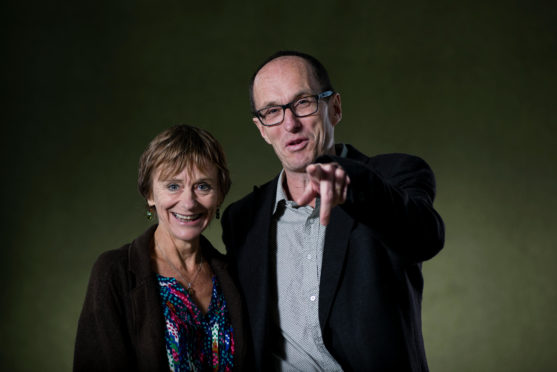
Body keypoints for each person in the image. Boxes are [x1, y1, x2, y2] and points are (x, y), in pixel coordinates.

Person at [221, 51, 445, 371]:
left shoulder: (393, 177)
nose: (290, 123)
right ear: (261, 128)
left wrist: (352, 184)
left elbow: (425, 237)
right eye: (272, 111)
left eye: (303, 102)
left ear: (334, 108)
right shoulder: (242, 220)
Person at [74, 125, 250, 371]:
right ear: (149, 193)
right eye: (173, 186)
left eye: (203, 186)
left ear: (219, 194)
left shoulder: (234, 275)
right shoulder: (114, 273)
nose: (188, 203)